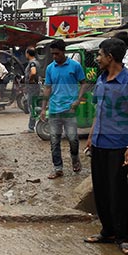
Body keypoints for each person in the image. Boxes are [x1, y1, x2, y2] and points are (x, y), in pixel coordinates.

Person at [83, 39, 128, 255]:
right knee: (100, 190)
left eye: (99, 55)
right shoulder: (101, 79)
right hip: (99, 143)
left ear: (110, 56)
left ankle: (123, 237)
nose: (97, 59)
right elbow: (99, 111)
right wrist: (91, 135)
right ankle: (107, 232)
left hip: (118, 145)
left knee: (117, 192)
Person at [39, 39, 86, 179]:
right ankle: (58, 168)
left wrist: (78, 99)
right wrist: (43, 108)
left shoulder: (75, 66)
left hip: (70, 109)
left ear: (63, 51)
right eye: (52, 54)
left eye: (57, 53)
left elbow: (83, 83)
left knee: (73, 138)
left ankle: (75, 159)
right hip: (54, 110)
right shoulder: (50, 68)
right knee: (54, 141)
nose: (54, 56)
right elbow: (47, 88)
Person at [23, 48, 40, 133]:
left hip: (32, 87)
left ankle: (31, 127)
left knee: (31, 106)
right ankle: (35, 124)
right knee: (34, 105)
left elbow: (33, 72)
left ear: (28, 54)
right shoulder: (36, 62)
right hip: (35, 87)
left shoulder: (32, 63)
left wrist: (30, 79)